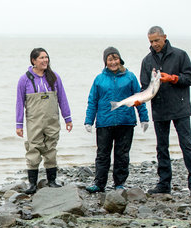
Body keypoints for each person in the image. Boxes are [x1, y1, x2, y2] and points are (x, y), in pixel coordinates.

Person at [140, 26, 191, 197]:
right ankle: (164, 183)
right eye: (151, 41)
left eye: (156, 40)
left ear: (164, 37)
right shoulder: (147, 61)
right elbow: (145, 86)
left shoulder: (180, 55)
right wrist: (140, 97)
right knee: (162, 147)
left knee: (186, 145)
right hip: (159, 109)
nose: (154, 44)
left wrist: (173, 78)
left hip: (180, 108)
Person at [84, 47, 150, 193]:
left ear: (120, 59)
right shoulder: (99, 79)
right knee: (102, 154)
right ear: (105, 62)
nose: (113, 62)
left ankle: (119, 183)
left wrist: (144, 118)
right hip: (104, 122)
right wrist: (89, 121)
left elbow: (139, 98)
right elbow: (92, 101)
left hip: (125, 121)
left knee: (122, 154)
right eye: (110, 59)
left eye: (115, 59)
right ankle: (99, 184)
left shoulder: (130, 77)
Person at [16, 47, 73, 194]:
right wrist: (19, 124)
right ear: (33, 61)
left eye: (46, 57)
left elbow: (62, 99)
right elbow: (19, 103)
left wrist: (68, 118)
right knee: (33, 149)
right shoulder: (24, 79)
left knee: (51, 148)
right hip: (34, 121)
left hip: (52, 120)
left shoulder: (54, 77)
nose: (45, 60)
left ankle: (52, 181)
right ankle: (32, 185)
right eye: (41, 58)